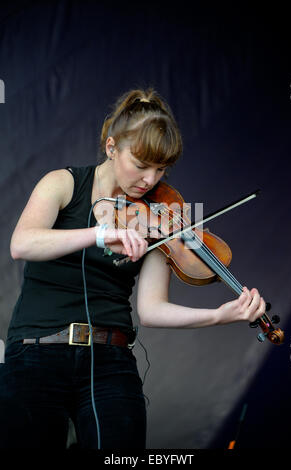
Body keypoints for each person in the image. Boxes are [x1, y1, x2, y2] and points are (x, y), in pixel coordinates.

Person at [0, 88, 265, 449]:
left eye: (161, 170)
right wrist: (98, 234)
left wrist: (219, 315)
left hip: (110, 359)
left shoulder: (159, 215)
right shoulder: (62, 183)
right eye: (141, 165)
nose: (150, 181)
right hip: (36, 352)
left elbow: (151, 309)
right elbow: (22, 244)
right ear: (111, 147)